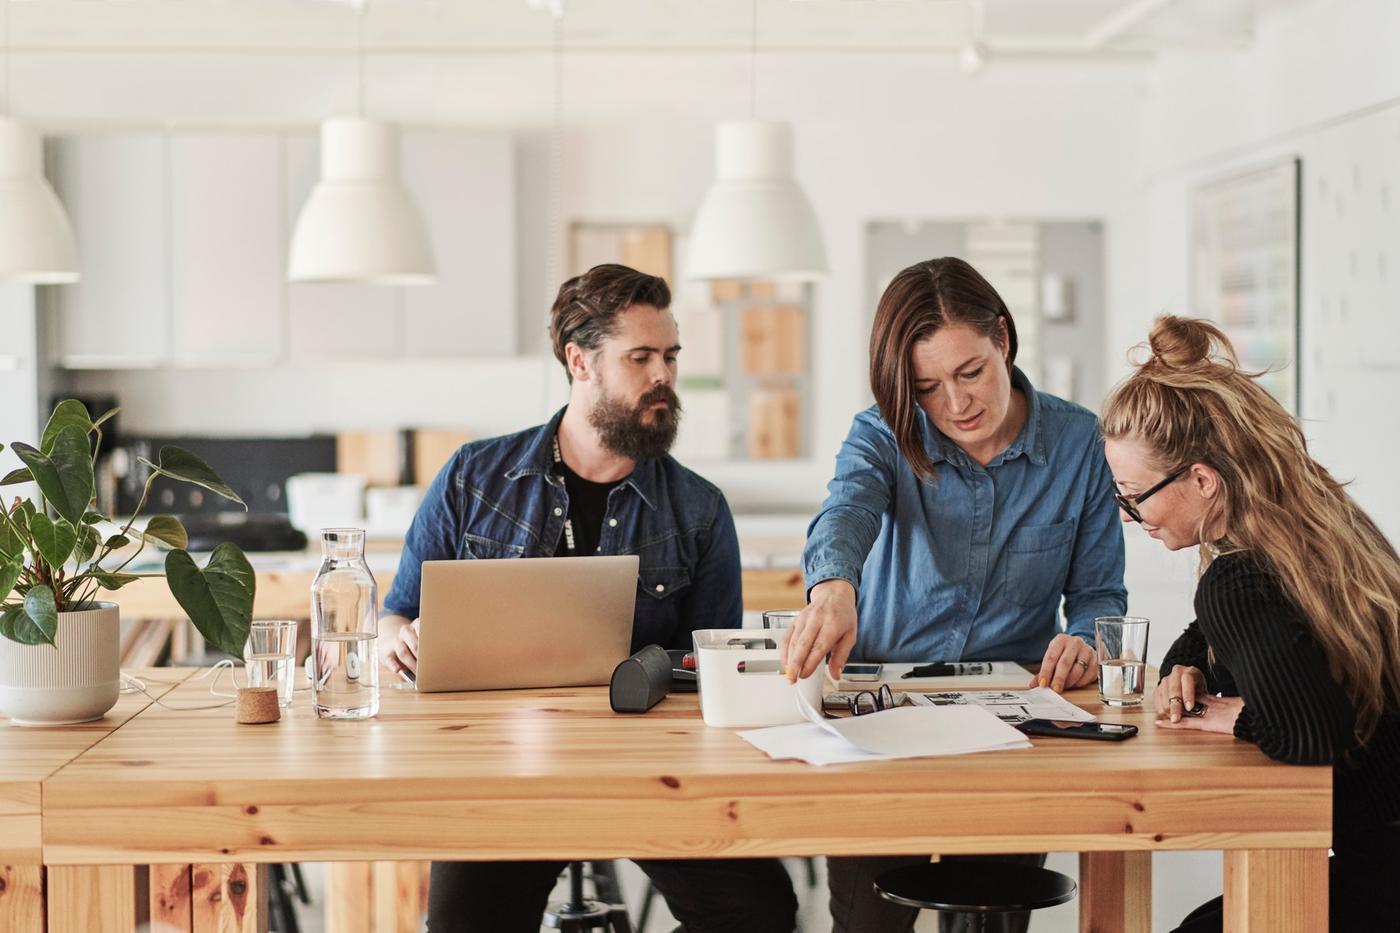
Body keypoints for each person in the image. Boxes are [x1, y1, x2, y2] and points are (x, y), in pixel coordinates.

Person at [378, 264, 798, 933]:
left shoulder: (700, 510)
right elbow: (396, 612)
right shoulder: (472, 478)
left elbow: (713, 673)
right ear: (580, 361)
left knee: (762, 913)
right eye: (641, 357)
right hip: (500, 775)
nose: (663, 375)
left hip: (651, 776)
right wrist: (398, 636)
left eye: (670, 356)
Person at [780, 257, 1127, 933]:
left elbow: (1098, 594)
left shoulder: (1081, 443)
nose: (956, 404)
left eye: (970, 372)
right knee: (867, 922)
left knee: (990, 921)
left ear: (1003, 338)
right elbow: (846, 510)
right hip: (879, 718)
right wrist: (832, 587)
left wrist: (1085, 640)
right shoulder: (883, 432)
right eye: (928, 387)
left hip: (1011, 729)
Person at [1099, 315, 1400, 933]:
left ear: (1202, 480)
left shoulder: (1237, 580)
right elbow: (1211, 637)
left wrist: (1231, 715)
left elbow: (1310, 732)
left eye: (1133, 494)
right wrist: (1185, 666)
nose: (1128, 515)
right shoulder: (1323, 528)